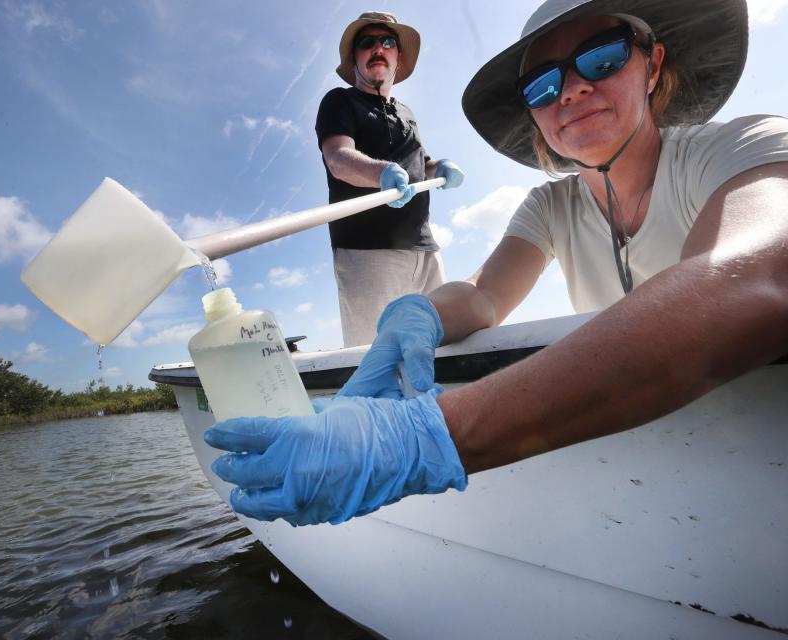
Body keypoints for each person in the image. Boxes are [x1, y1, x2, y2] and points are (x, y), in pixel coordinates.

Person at [205, 0, 788, 526]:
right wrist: (422, 313)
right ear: (533, 113)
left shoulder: (744, 148)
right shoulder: (551, 204)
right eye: (542, 85)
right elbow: (484, 294)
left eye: (602, 57)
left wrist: (427, 439)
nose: (573, 90)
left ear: (653, 64)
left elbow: (752, 281)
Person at [316, 11, 465, 348]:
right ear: (355, 58)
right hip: (368, 249)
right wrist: (379, 173)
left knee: (444, 348)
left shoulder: (406, 113)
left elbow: (420, 162)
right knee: (377, 355)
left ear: (399, 55)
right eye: (367, 43)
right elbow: (338, 158)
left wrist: (439, 166)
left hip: (426, 248)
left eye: (387, 42)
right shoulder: (339, 101)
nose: (377, 48)